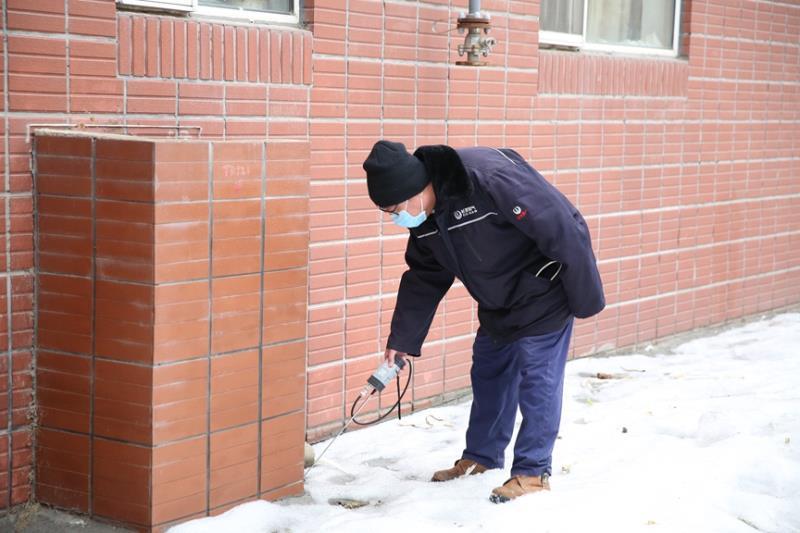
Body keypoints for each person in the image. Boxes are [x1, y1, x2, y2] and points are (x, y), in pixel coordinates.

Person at [362, 140, 605, 503]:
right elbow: (425, 275)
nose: (397, 218)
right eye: (389, 212)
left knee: (537, 379)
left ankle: (532, 472)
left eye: (396, 208)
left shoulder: (487, 178)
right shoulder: (425, 219)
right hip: (497, 300)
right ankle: (482, 457)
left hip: (543, 287)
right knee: (489, 372)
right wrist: (403, 340)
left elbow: (561, 226)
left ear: (417, 189)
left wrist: (584, 300)